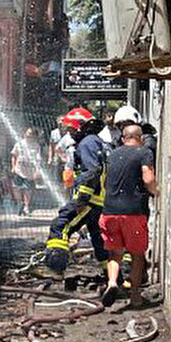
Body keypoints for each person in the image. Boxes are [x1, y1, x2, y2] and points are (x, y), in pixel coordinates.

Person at [100, 124, 159, 308]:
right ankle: (135, 296)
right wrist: (158, 192)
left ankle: (111, 283)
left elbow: (105, 182)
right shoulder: (143, 152)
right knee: (137, 255)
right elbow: (148, 179)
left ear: (123, 138)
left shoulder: (112, 155)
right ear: (140, 138)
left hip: (109, 211)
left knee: (114, 253)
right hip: (133, 212)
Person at [43, 115, 109, 272]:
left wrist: (82, 199)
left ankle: (56, 269)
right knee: (99, 240)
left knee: (60, 225)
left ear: (80, 127)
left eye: (71, 130)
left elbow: (92, 171)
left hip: (90, 200)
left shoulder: (87, 143)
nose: (69, 135)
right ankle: (114, 277)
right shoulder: (96, 142)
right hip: (98, 201)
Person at [10, 127, 44, 215]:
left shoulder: (36, 146)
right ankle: (19, 203)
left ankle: (26, 206)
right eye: (27, 133)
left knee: (28, 190)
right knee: (16, 187)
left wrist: (37, 171)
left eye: (31, 134)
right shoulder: (19, 144)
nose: (29, 135)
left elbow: (38, 160)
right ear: (25, 133)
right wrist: (13, 167)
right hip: (19, 170)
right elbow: (14, 155)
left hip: (30, 172)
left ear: (34, 136)